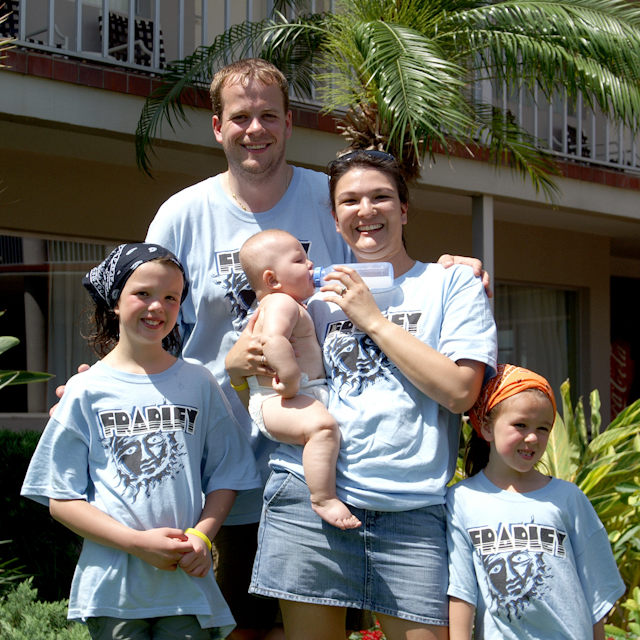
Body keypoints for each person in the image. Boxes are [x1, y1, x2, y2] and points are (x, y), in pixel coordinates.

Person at [142, 58, 490, 640]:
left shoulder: (328, 199)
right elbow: (146, 313)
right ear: (217, 126)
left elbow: (384, 270)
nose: (256, 129)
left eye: (269, 115)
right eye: (241, 116)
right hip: (226, 470)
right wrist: (113, 375)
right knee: (241, 630)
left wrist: (454, 267)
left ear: (289, 122)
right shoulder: (183, 212)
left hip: (352, 475)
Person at [240, 149, 498, 640]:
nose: (366, 210)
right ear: (335, 218)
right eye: (350, 200)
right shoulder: (308, 295)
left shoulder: (451, 284)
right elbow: (248, 361)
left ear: (404, 209)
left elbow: (462, 392)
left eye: (381, 197)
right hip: (308, 500)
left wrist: (373, 320)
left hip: (412, 509)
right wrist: (239, 362)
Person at [22, 243, 261, 640]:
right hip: (112, 591)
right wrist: (136, 543)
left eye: (171, 297)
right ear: (115, 300)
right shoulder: (85, 390)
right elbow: (60, 500)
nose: (157, 307)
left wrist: (203, 535)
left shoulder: (198, 381)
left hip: (186, 583)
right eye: (143, 293)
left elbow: (228, 473)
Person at [446, 364, 625, 640]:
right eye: (520, 425)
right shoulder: (462, 500)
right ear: (487, 427)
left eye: (543, 428)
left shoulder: (568, 498)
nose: (532, 437)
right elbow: (462, 592)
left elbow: (595, 593)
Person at [236, 229, 361, 530]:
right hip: (278, 399)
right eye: (299, 260)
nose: (311, 265)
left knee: (325, 427)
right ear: (272, 280)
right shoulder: (281, 303)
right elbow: (273, 339)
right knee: (323, 427)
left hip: (295, 395)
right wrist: (290, 378)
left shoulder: (291, 304)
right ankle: (322, 498)